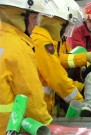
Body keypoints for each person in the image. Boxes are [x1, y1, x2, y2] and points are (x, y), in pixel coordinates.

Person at [31, 0, 91, 115]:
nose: (67, 30)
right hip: (37, 105)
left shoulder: (51, 39)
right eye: (65, 25)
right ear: (56, 22)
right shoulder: (42, 42)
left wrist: (85, 59)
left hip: (46, 102)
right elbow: (57, 77)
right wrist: (80, 102)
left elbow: (65, 57)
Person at [0, 0, 53, 134]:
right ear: (18, 17)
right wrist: (46, 125)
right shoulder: (19, 48)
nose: (36, 23)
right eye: (34, 17)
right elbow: (30, 95)